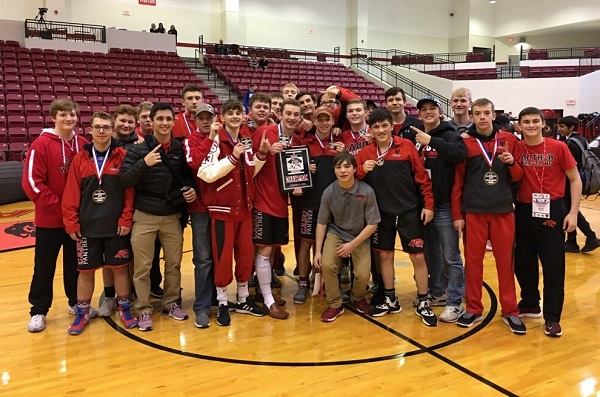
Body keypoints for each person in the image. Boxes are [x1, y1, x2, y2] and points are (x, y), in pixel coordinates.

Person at [120, 103, 198, 332]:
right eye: (160, 119)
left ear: (173, 122)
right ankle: (143, 308)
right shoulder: (138, 149)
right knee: (142, 267)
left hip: (172, 215)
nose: (164, 123)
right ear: (151, 122)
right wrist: (144, 164)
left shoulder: (179, 149)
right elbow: (124, 180)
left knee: (173, 264)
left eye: (168, 119)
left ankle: (171, 303)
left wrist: (191, 190)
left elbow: (187, 178)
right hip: (144, 215)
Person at [355, 108, 436, 326]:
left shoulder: (407, 146)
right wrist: (362, 169)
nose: (380, 130)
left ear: (392, 126)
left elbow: (422, 179)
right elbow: (355, 181)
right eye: (376, 127)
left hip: (409, 211)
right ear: (370, 130)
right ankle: (390, 298)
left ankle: (423, 301)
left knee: (418, 257)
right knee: (384, 257)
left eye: (384, 125)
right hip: (381, 215)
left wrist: (428, 205)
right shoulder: (364, 153)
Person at [451, 98, 526, 334]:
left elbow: (518, 177)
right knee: (473, 264)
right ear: (471, 117)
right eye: (477, 114)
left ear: (494, 115)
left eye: (486, 113)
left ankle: (510, 310)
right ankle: (473, 307)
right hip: (473, 212)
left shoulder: (510, 140)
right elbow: (458, 183)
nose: (482, 117)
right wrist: (457, 215)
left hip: (503, 210)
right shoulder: (465, 143)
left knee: (506, 263)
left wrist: (512, 163)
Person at [62, 112, 137, 335]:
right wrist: (72, 223)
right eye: (98, 127)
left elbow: (130, 193)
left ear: (113, 131)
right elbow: (71, 193)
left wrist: (126, 218)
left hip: (116, 225)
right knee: (85, 271)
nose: (102, 131)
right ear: (90, 130)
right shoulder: (79, 159)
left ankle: (124, 308)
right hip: (87, 226)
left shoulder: (123, 156)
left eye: (106, 127)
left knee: (120, 269)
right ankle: (83, 313)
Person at [197, 99, 270, 326]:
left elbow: (249, 172)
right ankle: (221, 302)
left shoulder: (245, 140)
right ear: (223, 117)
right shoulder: (216, 141)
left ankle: (243, 298)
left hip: (244, 208)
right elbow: (205, 173)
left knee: (245, 256)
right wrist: (231, 158)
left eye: (239, 113)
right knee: (223, 258)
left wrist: (261, 156)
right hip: (222, 209)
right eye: (231, 113)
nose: (236, 117)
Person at [22, 98, 92, 333]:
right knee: (44, 267)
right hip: (49, 221)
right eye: (63, 114)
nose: (69, 118)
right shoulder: (40, 145)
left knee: (76, 265)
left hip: (76, 221)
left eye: (72, 114)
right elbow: (32, 183)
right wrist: (62, 207)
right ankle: (39, 310)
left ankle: (75, 303)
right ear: (54, 117)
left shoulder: (83, 143)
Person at [514, 107, 582, 337]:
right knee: (523, 261)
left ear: (544, 124)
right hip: (523, 209)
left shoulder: (559, 147)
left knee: (553, 266)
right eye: (526, 122)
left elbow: (575, 180)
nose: (531, 125)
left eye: (535, 121)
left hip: (552, 209)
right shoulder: (516, 147)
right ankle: (530, 303)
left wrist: (573, 212)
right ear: (519, 125)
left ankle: (552, 317)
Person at [411, 97, 467, 322]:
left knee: (450, 255)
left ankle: (455, 301)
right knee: (430, 252)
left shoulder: (450, 134)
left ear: (440, 111)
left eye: (432, 109)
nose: (427, 112)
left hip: (443, 205)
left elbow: (458, 154)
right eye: (423, 110)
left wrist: (431, 140)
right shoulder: (414, 137)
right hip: (424, 205)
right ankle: (437, 291)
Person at [314, 152, 381, 322]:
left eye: (347, 166)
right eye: (338, 167)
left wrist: (352, 244)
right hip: (336, 232)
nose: (342, 171)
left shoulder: (367, 191)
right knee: (327, 265)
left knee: (363, 274)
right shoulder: (329, 192)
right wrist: (318, 252)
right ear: (334, 170)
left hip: (359, 235)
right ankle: (335, 304)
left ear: (354, 169)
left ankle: (357, 297)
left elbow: (373, 224)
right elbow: (321, 223)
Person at [292, 106, 345, 305]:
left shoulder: (339, 143)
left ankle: (331, 283)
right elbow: (293, 166)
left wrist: (345, 152)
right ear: (314, 121)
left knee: (334, 245)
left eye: (327, 119)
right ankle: (303, 283)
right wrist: (305, 170)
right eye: (319, 119)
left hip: (335, 205)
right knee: (306, 243)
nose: (324, 123)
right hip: (310, 202)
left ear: (333, 122)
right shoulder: (305, 142)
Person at [183, 104, 219, 328]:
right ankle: (202, 306)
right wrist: (211, 139)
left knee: (220, 255)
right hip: (200, 208)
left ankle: (219, 299)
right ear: (195, 120)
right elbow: (194, 162)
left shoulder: (224, 137)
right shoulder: (190, 140)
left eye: (209, 118)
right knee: (204, 259)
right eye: (201, 118)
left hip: (222, 206)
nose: (206, 122)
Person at [557, 115, 600, 253]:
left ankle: (590, 236)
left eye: (562, 127)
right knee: (570, 210)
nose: (559, 129)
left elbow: (567, 165)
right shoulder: (582, 140)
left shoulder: (569, 144)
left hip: (569, 183)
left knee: (571, 211)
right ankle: (571, 241)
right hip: (579, 179)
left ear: (571, 128)